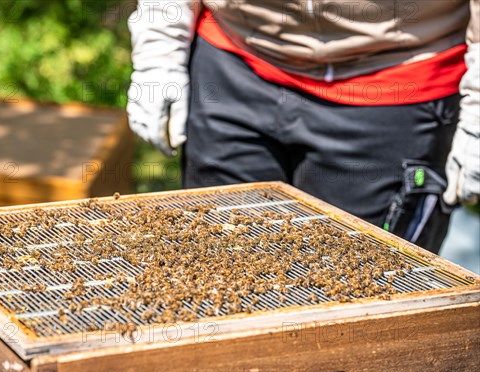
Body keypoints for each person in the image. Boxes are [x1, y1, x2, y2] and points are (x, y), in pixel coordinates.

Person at [127, 0, 479, 253]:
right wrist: (160, 39)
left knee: (359, 314)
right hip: (232, 60)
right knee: (213, 262)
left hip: (395, 84)